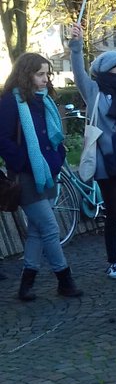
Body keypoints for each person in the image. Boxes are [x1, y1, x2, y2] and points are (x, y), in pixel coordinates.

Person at [0, 53, 82, 301]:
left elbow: (53, 136)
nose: (46, 79)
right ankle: (64, 279)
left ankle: (26, 285)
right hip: (27, 176)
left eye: (47, 73)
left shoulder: (44, 99)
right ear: (26, 74)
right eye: (40, 74)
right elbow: (3, 139)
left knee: (37, 230)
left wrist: (57, 158)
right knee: (49, 227)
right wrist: (25, 163)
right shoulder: (10, 102)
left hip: (48, 174)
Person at [69, 24, 116, 279]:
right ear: (106, 70)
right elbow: (78, 73)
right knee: (114, 212)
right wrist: (76, 44)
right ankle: (113, 261)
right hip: (107, 161)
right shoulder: (95, 92)